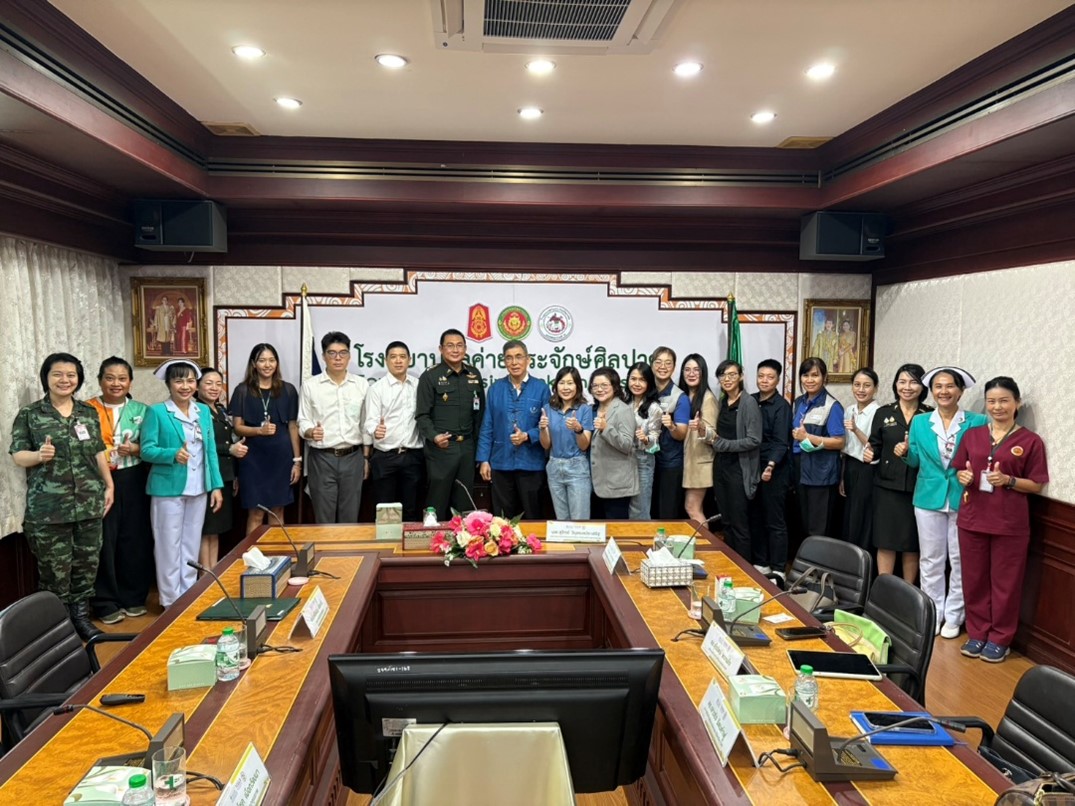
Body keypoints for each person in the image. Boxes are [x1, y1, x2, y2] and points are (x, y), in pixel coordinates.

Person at [9, 353, 114, 640]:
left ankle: (80, 619)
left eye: (71, 375)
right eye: (57, 374)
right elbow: (18, 456)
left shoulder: (87, 412)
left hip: (89, 504)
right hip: (49, 509)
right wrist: (38, 456)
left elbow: (97, 452)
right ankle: (58, 629)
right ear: (46, 377)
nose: (64, 380)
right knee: (55, 574)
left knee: (86, 567)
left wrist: (109, 485)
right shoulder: (30, 414)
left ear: (78, 379)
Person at [954, 377, 1048, 663]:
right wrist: (963, 476)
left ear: (1016, 403)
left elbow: (1036, 484)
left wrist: (1009, 480)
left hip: (1009, 524)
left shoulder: (1030, 441)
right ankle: (977, 633)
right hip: (972, 519)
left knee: (1006, 584)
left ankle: (1000, 639)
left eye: (1004, 401)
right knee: (974, 580)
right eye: (992, 401)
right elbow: (959, 469)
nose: (997, 407)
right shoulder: (972, 435)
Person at [903, 366, 987, 639]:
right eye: (938, 386)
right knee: (930, 559)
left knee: (961, 559)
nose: (943, 391)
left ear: (960, 391)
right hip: (928, 497)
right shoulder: (920, 422)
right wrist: (904, 452)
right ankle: (932, 614)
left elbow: (984, 457)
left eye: (950, 386)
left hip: (963, 496)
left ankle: (954, 615)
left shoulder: (977, 421)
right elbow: (915, 460)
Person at [140, 360, 223, 608]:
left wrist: (216, 486)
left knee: (191, 544)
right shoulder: (157, 412)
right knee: (168, 546)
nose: (185, 386)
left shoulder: (203, 412)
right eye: (178, 381)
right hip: (168, 489)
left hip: (198, 488)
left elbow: (210, 452)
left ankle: (187, 595)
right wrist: (172, 454)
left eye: (190, 381)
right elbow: (146, 450)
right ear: (169, 384)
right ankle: (169, 600)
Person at [87, 357, 152, 624]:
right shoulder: (86, 410)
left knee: (134, 537)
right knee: (104, 539)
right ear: (100, 380)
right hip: (98, 481)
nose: (116, 383)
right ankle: (104, 601)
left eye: (122, 378)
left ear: (130, 382)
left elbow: (152, 445)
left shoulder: (142, 410)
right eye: (110, 378)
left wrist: (135, 449)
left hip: (133, 477)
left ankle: (133, 597)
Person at [864, 364, 931, 583]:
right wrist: (869, 453)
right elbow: (875, 445)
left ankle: (908, 591)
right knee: (885, 540)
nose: (907, 387)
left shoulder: (929, 414)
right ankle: (884, 589)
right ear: (895, 385)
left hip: (918, 487)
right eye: (902, 382)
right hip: (886, 486)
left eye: (913, 382)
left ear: (922, 386)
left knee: (911, 542)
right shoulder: (884, 412)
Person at [298, 331, 370, 524]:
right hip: (322, 459)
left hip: (353, 457)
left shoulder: (361, 385)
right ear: (323, 356)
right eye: (332, 353)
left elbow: (365, 424)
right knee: (324, 519)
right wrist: (311, 432)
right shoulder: (311, 386)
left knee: (350, 519)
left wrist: (365, 458)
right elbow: (302, 421)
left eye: (343, 353)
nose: (338, 358)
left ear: (349, 356)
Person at [230, 343, 301, 535]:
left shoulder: (288, 390)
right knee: (256, 512)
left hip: (281, 459)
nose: (267, 365)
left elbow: (293, 427)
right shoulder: (243, 390)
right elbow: (237, 427)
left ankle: (277, 552)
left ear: (277, 363)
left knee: (278, 511)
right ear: (254, 364)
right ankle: (253, 553)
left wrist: (297, 461)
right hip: (253, 460)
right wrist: (259, 431)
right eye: (262, 361)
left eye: (271, 360)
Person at [415, 329, 486, 519]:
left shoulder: (473, 374)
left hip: (467, 447)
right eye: (450, 345)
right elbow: (422, 415)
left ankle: (464, 538)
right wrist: (434, 437)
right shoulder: (430, 376)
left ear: (465, 348)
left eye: (459, 345)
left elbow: (480, 414)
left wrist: (478, 448)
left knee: (465, 504)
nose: (455, 350)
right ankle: (434, 536)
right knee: (437, 502)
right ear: (441, 349)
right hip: (441, 449)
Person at [477, 340, 550, 520]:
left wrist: (528, 435)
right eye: (509, 358)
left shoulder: (541, 388)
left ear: (528, 359)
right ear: (504, 361)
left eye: (519, 357)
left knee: (532, 517)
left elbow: (548, 425)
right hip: (501, 462)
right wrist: (484, 460)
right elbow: (487, 426)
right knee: (502, 521)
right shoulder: (495, 389)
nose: (514, 362)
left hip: (531, 463)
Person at [703, 360, 761, 559]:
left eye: (732, 375)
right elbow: (717, 437)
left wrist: (723, 444)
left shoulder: (748, 403)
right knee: (726, 521)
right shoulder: (721, 403)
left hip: (739, 469)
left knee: (739, 523)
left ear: (741, 376)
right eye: (722, 375)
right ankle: (730, 563)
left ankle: (744, 567)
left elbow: (754, 439)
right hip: (721, 467)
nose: (727, 379)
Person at [363, 340, 424, 522]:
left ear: (409, 360)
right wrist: (376, 430)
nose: (398, 361)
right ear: (386, 361)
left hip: (413, 456)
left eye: (402, 357)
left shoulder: (419, 386)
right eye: (393, 357)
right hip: (385, 457)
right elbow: (369, 421)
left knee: (411, 509)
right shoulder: (377, 389)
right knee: (386, 513)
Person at [196, 367, 248, 570]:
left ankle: (213, 570)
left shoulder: (221, 410)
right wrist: (229, 449)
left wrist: (234, 475)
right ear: (197, 386)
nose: (214, 388)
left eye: (218, 384)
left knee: (215, 529)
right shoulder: (196, 410)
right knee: (206, 529)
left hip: (224, 474)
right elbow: (201, 445)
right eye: (209, 383)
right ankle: (205, 575)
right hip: (207, 476)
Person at [790, 357, 846, 538]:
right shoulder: (799, 402)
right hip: (800, 468)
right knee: (803, 523)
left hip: (821, 473)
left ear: (824, 377)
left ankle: (819, 558)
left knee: (818, 527)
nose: (809, 380)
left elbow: (839, 442)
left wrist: (808, 437)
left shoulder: (832, 406)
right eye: (805, 375)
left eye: (815, 375)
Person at [748, 359, 792, 578]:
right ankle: (761, 562)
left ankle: (778, 568)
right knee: (755, 516)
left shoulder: (782, 406)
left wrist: (771, 465)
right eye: (761, 376)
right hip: (752, 467)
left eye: (770, 377)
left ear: (778, 380)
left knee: (774, 521)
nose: (764, 380)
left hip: (774, 470)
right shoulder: (750, 400)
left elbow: (781, 442)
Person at [539, 367, 593, 520]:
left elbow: (584, 445)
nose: (566, 387)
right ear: (556, 386)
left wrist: (578, 429)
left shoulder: (584, 409)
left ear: (577, 386)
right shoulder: (548, 409)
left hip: (577, 466)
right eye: (562, 383)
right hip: (554, 466)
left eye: (570, 383)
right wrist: (543, 428)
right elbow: (546, 445)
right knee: (562, 521)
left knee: (579, 520)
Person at [588, 368, 637, 519]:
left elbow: (627, 445)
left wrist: (606, 428)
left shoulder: (623, 410)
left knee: (617, 530)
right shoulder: (591, 410)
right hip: (596, 484)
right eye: (595, 386)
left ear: (615, 387)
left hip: (617, 485)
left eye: (604, 385)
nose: (599, 389)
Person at [840, 367, 880, 549]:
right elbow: (846, 447)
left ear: (875, 388)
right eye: (857, 385)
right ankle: (847, 558)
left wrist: (856, 429)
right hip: (849, 465)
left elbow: (873, 446)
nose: (861, 390)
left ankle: (862, 558)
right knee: (848, 514)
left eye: (867, 385)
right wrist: (842, 476)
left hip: (867, 468)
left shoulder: (879, 412)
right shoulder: (849, 410)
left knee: (861, 516)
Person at [649, 347, 690, 519]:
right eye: (658, 362)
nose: (663, 366)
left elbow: (681, 434)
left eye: (668, 363)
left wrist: (672, 426)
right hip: (646, 463)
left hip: (669, 464)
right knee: (647, 515)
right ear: (652, 365)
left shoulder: (680, 397)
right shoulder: (646, 391)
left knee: (666, 516)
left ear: (674, 367)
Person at [680, 354, 717, 524]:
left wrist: (701, 427)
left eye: (696, 370)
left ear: (703, 373)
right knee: (692, 509)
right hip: (687, 462)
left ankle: (706, 541)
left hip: (700, 464)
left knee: (692, 508)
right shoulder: (684, 396)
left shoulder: (707, 398)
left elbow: (713, 436)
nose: (691, 373)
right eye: (687, 370)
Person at [626, 362, 662, 521]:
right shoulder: (624, 403)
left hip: (643, 460)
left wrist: (646, 439)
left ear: (649, 383)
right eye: (633, 379)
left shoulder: (654, 408)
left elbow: (655, 445)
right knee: (623, 507)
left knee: (640, 508)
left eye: (642, 380)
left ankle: (642, 537)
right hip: (622, 460)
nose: (636, 383)